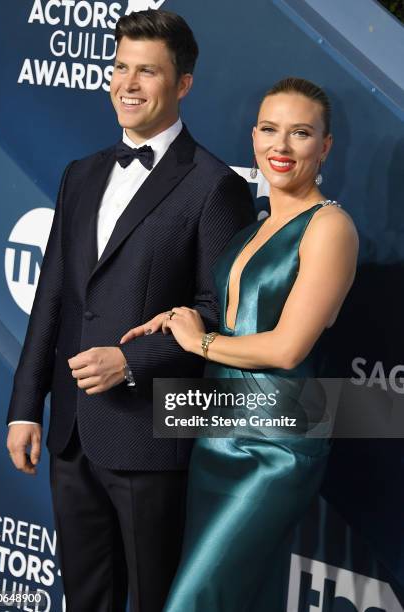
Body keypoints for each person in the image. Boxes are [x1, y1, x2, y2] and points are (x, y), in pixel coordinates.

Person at [6, 10, 255, 612]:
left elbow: (216, 314)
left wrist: (131, 359)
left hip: (147, 435)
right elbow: (53, 299)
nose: (128, 83)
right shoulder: (80, 173)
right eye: (120, 67)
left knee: (152, 600)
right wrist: (24, 408)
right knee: (86, 599)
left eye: (148, 71)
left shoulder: (214, 185)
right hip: (69, 433)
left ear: (184, 84)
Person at [121, 77, 359, 610]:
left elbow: (286, 349)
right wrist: (179, 318)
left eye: (300, 133)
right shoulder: (254, 226)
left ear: (325, 146)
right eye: (270, 129)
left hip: (276, 445)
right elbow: (238, 319)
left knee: (194, 601)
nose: (281, 146)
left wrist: (199, 341)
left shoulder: (329, 227)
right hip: (218, 430)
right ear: (253, 136)